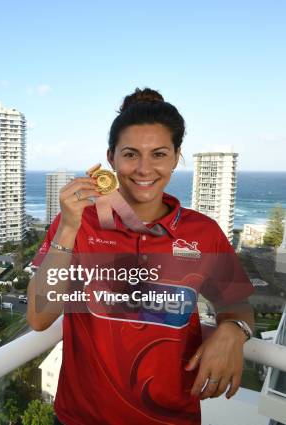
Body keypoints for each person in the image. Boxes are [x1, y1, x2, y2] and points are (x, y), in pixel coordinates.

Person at [26, 88, 255, 425]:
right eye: (131, 154)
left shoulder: (203, 232)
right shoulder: (78, 222)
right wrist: (68, 229)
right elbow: (39, 318)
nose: (144, 169)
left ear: (176, 157)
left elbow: (240, 307)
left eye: (159, 154)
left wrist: (234, 330)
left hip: (172, 417)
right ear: (111, 158)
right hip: (80, 417)